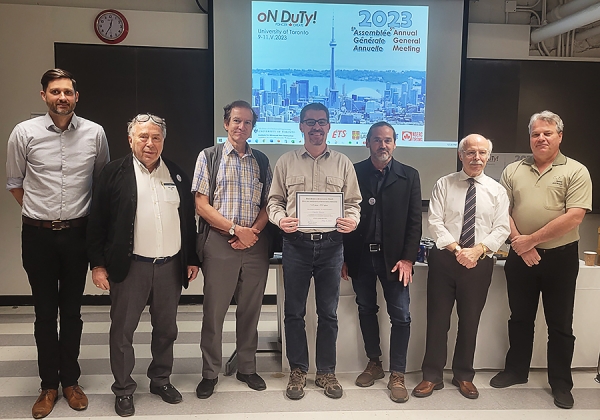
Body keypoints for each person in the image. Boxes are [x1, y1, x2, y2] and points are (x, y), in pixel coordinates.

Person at [5, 68, 109, 419]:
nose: (62, 97)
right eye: (55, 92)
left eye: (67, 92)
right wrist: (41, 214)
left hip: (78, 235)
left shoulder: (95, 133)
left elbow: (102, 183)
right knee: (44, 313)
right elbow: (15, 181)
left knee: (73, 312)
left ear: (76, 97)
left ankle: (71, 382)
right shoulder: (24, 133)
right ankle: (48, 385)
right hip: (38, 236)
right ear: (44, 96)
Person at [86, 113, 200, 417]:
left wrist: (191, 258)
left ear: (163, 140)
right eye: (143, 137)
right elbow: (96, 223)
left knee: (166, 330)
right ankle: (123, 389)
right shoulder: (112, 174)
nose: (150, 143)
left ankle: (160, 380)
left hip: (169, 267)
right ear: (130, 139)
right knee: (122, 331)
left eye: (156, 137)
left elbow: (187, 220)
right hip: (130, 267)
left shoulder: (175, 174)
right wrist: (97, 265)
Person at [490, 111, 592, 409]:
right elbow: (501, 211)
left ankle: (560, 382)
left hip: (560, 258)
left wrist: (530, 241)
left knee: (560, 323)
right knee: (520, 318)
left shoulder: (576, 171)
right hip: (519, 256)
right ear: (530, 137)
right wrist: (521, 246)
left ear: (560, 135)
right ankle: (516, 371)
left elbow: (574, 216)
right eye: (536, 133)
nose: (541, 138)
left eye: (547, 133)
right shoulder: (513, 170)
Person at [267, 103, 361, 400]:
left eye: (321, 122)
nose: (316, 128)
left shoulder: (344, 163)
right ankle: (297, 370)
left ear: (329, 126)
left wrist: (352, 221)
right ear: (301, 126)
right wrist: (280, 219)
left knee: (328, 312)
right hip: (295, 244)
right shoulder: (286, 161)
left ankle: (325, 372)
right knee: (294, 312)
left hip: (332, 245)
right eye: (310, 122)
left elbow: (354, 204)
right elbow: (274, 201)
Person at [413, 134, 509, 400]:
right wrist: (457, 249)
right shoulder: (444, 184)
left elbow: (502, 227)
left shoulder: (496, 190)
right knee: (437, 320)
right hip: (445, 259)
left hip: (479, 262)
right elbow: (434, 221)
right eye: (470, 153)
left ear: (488, 156)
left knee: (470, 321)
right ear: (461, 155)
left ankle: (464, 375)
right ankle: (431, 376)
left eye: (482, 153)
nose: (476, 158)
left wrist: (477, 250)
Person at [192, 100, 272, 398]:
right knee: (214, 312)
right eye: (236, 121)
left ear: (253, 127)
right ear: (226, 123)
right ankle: (210, 373)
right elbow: (201, 204)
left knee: (250, 310)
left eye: (248, 122)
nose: (242, 127)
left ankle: (247, 368)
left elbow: (268, 205)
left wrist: (252, 233)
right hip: (220, 242)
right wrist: (234, 230)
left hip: (255, 243)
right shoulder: (209, 157)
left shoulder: (261, 160)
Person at [341, 121, 421, 403]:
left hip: (395, 261)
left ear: (395, 144)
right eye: (376, 140)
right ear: (367, 143)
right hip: (361, 257)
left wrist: (408, 259)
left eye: (387, 140)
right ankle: (374, 363)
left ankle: (397, 373)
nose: (382, 145)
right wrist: (345, 257)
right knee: (365, 309)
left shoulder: (409, 175)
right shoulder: (354, 171)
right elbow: (344, 216)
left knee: (401, 316)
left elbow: (414, 223)